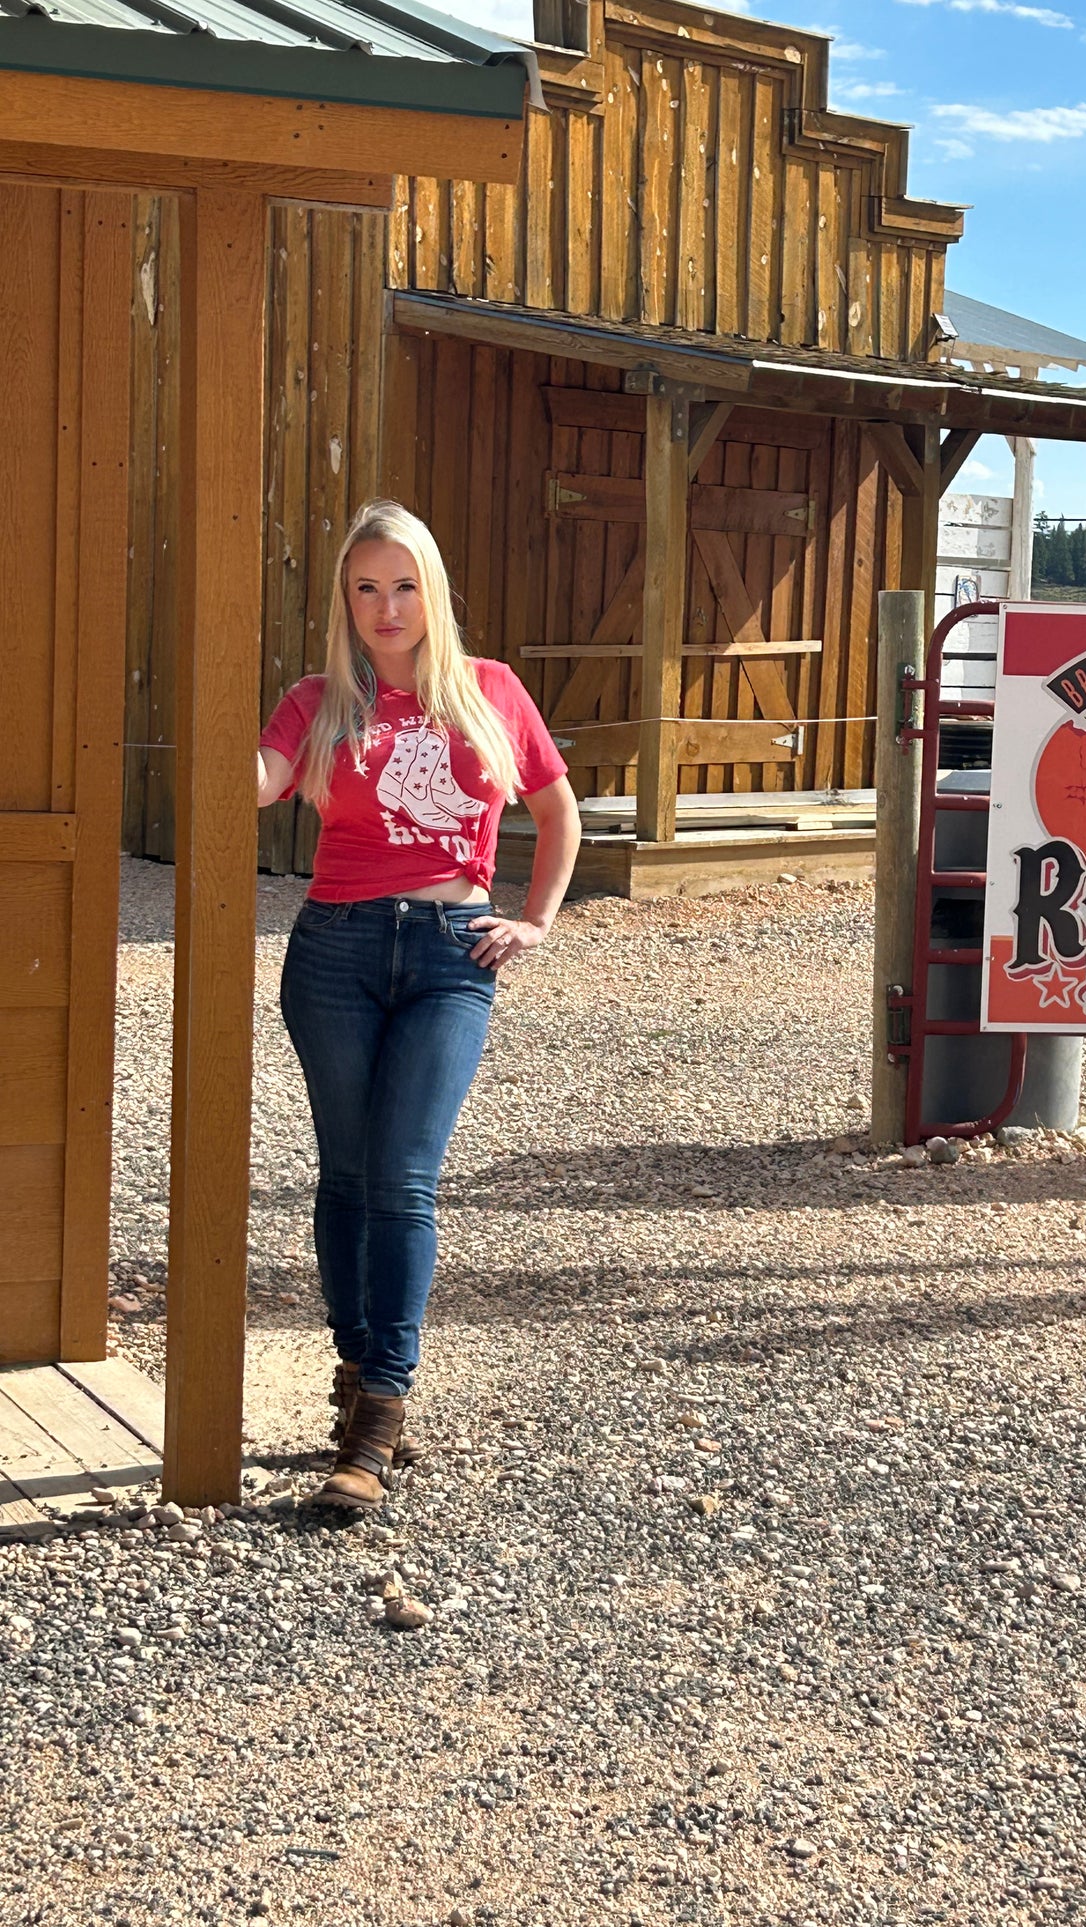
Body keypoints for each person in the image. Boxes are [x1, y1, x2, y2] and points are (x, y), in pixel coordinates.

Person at [257, 500, 581, 1512]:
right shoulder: (318, 702)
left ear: (430, 590)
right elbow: (258, 782)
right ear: (344, 601)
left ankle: (381, 1417)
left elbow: (556, 807)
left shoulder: (490, 692)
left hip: (451, 954)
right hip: (334, 954)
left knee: (403, 1177)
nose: (385, 607)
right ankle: (355, 1374)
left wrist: (535, 921)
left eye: (403, 585)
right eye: (365, 588)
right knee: (346, 1177)